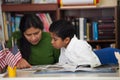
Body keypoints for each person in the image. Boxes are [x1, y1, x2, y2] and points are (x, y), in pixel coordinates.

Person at [49, 19, 120, 68]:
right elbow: (63, 64)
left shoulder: (80, 46)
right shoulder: (64, 47)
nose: (52, 42)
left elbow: (91, 65)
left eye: (55, 39)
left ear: (66, 40)